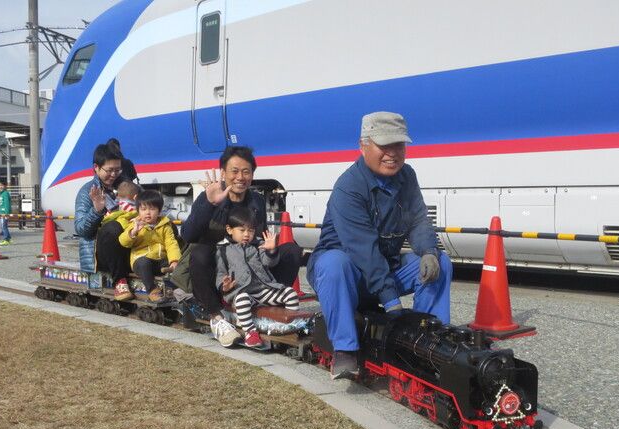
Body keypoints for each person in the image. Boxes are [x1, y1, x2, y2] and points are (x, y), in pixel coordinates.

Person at [307, 112, 452, 380]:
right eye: (384, 146)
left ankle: (431, 341)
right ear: (363, 146)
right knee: (333, 263)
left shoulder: (406, 176)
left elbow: (419, 221)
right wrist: (393, 306)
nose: (393, 154)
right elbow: (363, 251)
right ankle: (345, 349)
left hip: (385, 266)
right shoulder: (348, 187)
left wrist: (430, 252)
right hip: (351, 274)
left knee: (441, 264)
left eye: (399, 145)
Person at [172, 146, 302, 346]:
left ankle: (267, 301)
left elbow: (259, 238)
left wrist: (271, 248)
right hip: (217, 270)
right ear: (223, 173)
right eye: (234, 171)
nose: (240, 177)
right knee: (200, 252)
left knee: (291, 250)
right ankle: (217, 317)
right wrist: (210, 203)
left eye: (246, 171)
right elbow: (188, 234)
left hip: (248, 269)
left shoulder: (256, 200)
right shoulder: (209, 196)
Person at [215, 208, 300, 348]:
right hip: (243, 292)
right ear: (229, 229)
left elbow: (269, 262)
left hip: (264, 288)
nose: (247, 234)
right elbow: (220, 273)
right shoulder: (223, 250)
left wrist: (271, 250)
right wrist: (224, 286)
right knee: (242, 301)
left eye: (251, 230)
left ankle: (288, 326)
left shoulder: (258, 245)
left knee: (290, 293)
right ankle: (250, 332)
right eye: (242, 230)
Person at [74, 143, 133, 300]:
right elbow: (81, 230)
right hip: (101, 253)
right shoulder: (87, 191)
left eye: (118, 169)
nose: (114, 174)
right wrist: (97, 210)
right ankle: (119, 282)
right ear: (96, 167)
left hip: (128, 245)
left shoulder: (126, 187)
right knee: (113, 227)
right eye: (109, 170)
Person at [118, 190, 181, 302]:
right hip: (141, 261)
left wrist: (174, 260)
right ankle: (152, 290)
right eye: (143, 209)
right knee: (143, 263)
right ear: (138, 211)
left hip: (160, 261)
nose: (148, 213)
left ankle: (182, 287)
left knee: (181, 262)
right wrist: (133, 232)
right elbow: (123, 241)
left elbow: (171, 244)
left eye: (152, 209)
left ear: (159, 210)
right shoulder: (135, 224)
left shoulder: (165, 226)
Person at [0, 181, 12, 245]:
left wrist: (7, 213)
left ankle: (6, 239)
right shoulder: (0, 193)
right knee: (3, 226)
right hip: (1, 212)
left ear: (5, 186)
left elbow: (7, 204)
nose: (0, 187)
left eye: (2, 185)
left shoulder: (5, 193)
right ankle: (8, 239)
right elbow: (1, 204)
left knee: (4, 226)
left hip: (4, 213)